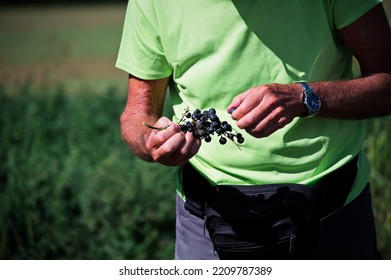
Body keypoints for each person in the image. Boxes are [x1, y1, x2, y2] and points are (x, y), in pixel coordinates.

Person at [116, 0, 391, 260]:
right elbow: (137, 114)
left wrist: (306, 97)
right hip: (205, 222)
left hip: (332, 215)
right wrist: (151, 141)